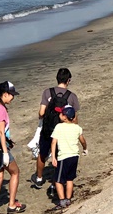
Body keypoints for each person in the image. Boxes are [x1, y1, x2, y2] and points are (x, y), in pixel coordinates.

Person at [32, 68, 80, 197]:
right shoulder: (72, 97)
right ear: (68, 81)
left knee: (43, 153)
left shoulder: (47, 92)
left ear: (57, 78)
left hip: (48, 129)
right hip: (63, 131)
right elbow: (74, 119)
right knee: (60, 156)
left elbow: (41, 113)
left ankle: (39, 178)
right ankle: (55, 183)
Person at [0, 81, 26, 214]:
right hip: (1, 148)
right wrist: (5, 152)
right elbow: (1, 132)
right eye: (11, 95)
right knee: (15, 172)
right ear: (5, 94)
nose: (13, 97)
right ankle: (12, 205)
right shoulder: (1, 110)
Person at [50, 106, 87, 209]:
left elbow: (53, 142)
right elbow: (83, 141)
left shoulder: (59, 127)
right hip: (74, 156)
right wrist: (85, 148)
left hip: (63, 157)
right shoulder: (77, 128)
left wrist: (53, 157)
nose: (59, 115)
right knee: (70, 179)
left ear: (65, 117)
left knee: (58, 180)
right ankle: (68, 199)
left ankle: (62, 201)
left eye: (61, 113)